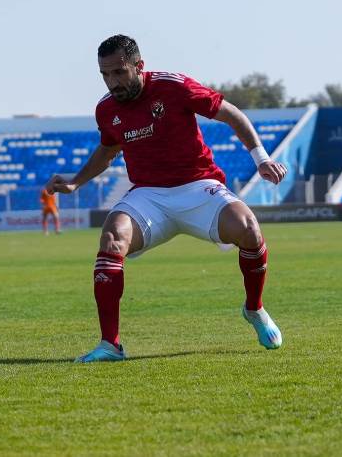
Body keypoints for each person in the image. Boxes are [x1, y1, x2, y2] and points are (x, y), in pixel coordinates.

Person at [46, 35, 287, 363]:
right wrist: (76, 182)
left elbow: (231, 114)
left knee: (248, 228)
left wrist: (261, 159)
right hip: (149, 196)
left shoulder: (174, 87)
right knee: (112, 236)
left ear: (139, 66)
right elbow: (108, 149)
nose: (112, 82)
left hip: (199, 186)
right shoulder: (106, 109)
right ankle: (110, 345)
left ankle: (254, 309)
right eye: (105, 74)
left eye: (119, 72)